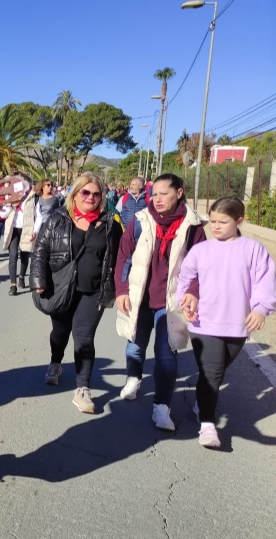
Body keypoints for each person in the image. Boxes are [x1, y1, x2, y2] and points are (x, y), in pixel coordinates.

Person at [177, 197, 276, 448]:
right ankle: (208, 425)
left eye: (223, 221)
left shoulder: (253, 249)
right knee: (212, 372)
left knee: (218, 371)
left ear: (239, 221)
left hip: (238, 325)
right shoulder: (201, 250)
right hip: (203, 324)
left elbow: (265, 281)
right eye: (212, 221)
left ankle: (203, 402)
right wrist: (187, 298)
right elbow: (185, 278)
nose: (216, 226)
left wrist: (261, 309)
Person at [115, 173, 206, 430]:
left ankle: (161, 406)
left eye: (163, 194)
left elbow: (202, 265)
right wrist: (122, 290)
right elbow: (123, 256)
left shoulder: (193, 226)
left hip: (171, 301)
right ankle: (133, 378)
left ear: (179, 192)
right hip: (140, 297)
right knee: (135, 344)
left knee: (166, 355)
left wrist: (194, 292)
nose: (157, 199)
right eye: (154, 194)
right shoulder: (141, 220)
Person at [30, 172, 122, 413]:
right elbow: (40, 250)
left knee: (84, 338)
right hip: (61, 288)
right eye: (86, 192)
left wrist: (123, 289)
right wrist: (39, 279)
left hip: (93, 292)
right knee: (59, 333)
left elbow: (121, 257)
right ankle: (56, 362)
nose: (91, 197)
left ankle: (82, 388)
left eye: (96, 193)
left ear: (102, 197)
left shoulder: (110, 223)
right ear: (75, 193)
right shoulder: (58, 218)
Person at [1, 174, 41, 295]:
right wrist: (10, 206)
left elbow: (39, 216)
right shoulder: (9, 196)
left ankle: (22, 277)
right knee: (12, 256)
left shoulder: (33, 197)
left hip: (27, 229)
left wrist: (35, 231)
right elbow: (2, 215)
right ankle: (13, 285)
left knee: (24, 255)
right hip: (13, 229)